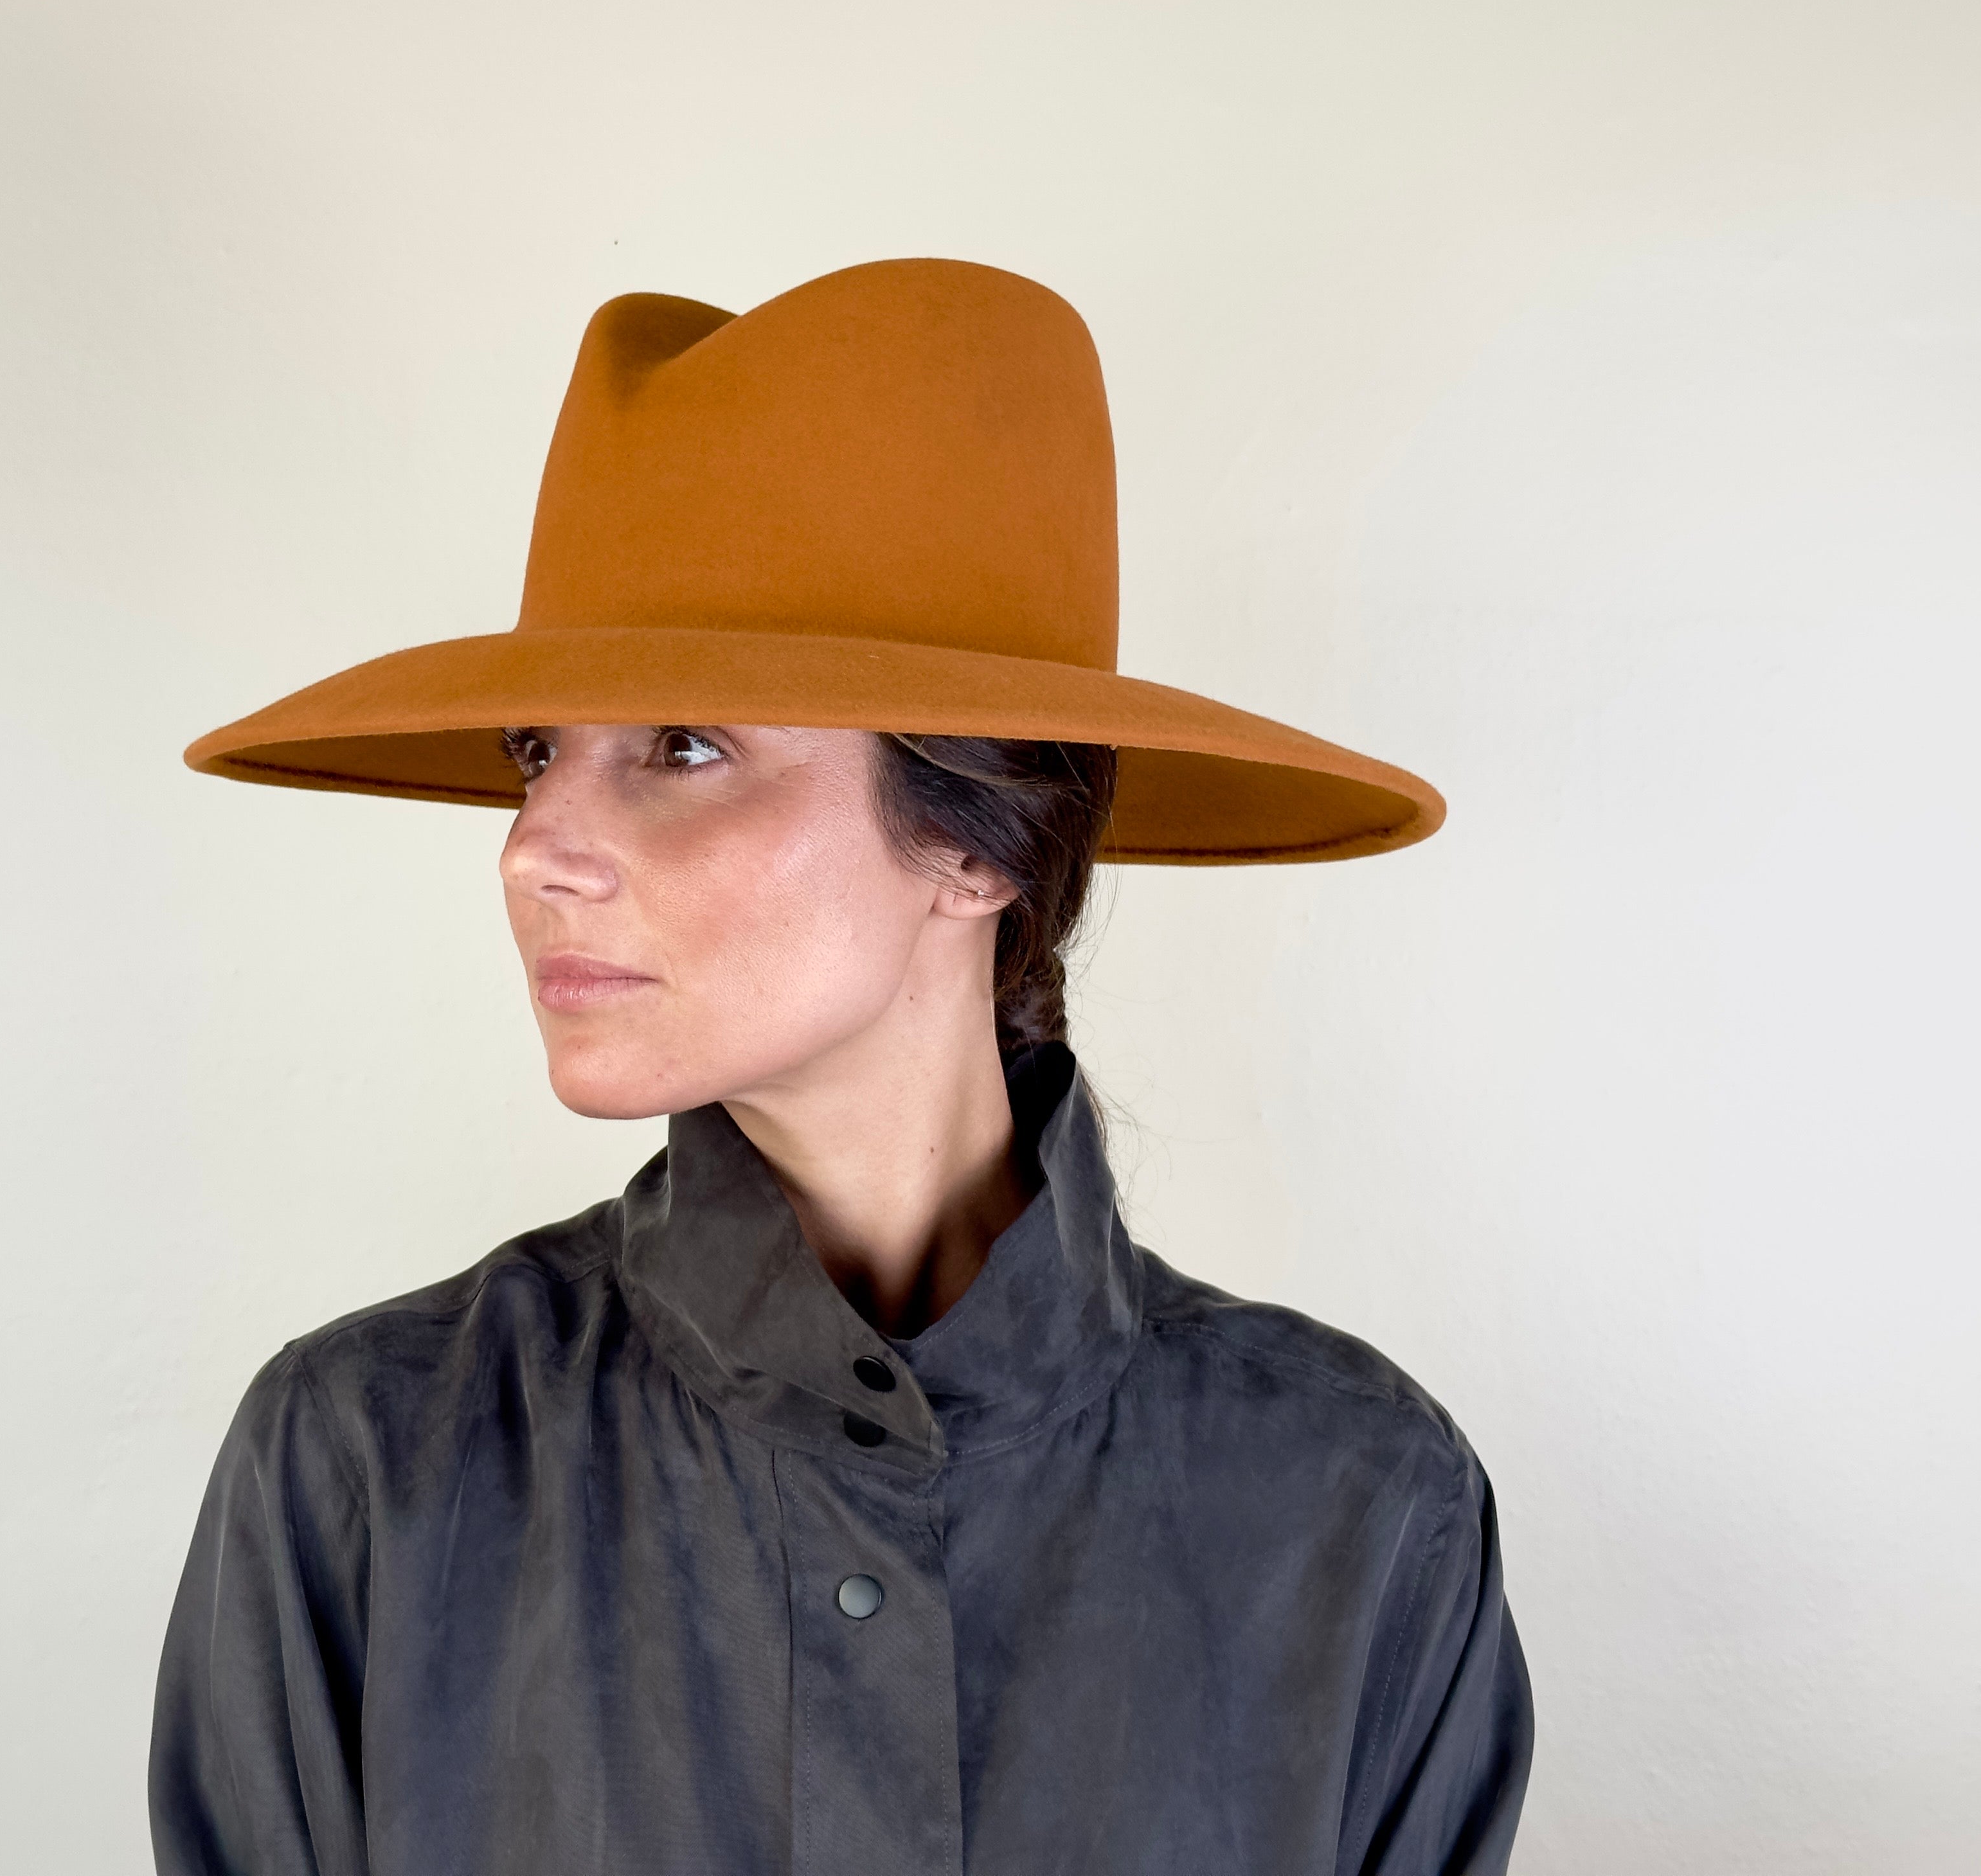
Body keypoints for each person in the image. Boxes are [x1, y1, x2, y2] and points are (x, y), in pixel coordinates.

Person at [150, 258, 1532, 1875]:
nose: (534, 849)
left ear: (982, 845)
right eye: (535, 753)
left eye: (682, 745)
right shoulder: (370, 1465)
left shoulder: (1355, 1507)